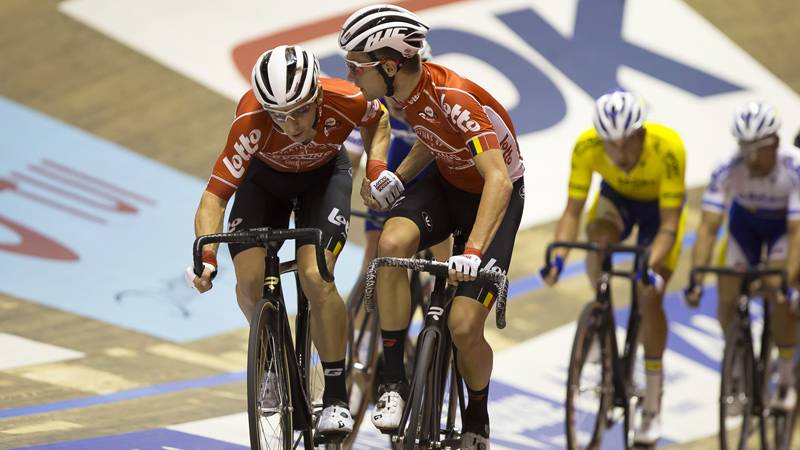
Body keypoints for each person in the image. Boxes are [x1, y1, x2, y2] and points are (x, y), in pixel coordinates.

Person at [338, 5, 526, 449]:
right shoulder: (404, 94)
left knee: (463, 327)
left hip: (492, 196)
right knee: (390, 246)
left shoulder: (454, 97)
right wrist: (398, 178)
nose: (350, 76)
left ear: (388, 66)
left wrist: (473, 251)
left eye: (356, 67)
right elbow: (433, 137)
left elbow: (498, 180)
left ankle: (476, 418)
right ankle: (393, 383)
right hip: (446, 182)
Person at [185, 44, 391, 438]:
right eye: (279, 115)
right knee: (248, 279)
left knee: (315, 277)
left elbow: (378, 120)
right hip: (266, 183)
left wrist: (376, 168)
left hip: (323, 180)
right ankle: (270, 365)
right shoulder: (250, 121)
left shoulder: (346, 98)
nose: (291, 125)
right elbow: (214, 197)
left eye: (299, 111)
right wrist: (207, 255)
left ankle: (335, 395)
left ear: (317, 96)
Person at [541, 89, 687, 445]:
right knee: (597, 242)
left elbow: (670, 226)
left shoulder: (668, 149)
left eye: (626, 144)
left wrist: (650, 266)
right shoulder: (587, 147)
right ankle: (600, 319)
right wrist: (558, 259)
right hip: (617, 200)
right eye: (611, 146)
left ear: (641, 134)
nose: (619, 155)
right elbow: (572, 212)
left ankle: (652, 401)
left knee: (648, 294)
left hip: (659, 213)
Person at [685, 101, 800, 411]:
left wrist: (787, 281)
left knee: (777, 291)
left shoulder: (794, 168)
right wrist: (697, 277)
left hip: (782, 228)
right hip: (744, 227)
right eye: (744, 147)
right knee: (726, 291)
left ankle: (786, 378)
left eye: (757, 149)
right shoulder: (727, 168)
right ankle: (736, 357)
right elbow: (708, 228)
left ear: (774, 143)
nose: (750, 157)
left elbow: (796, 232)